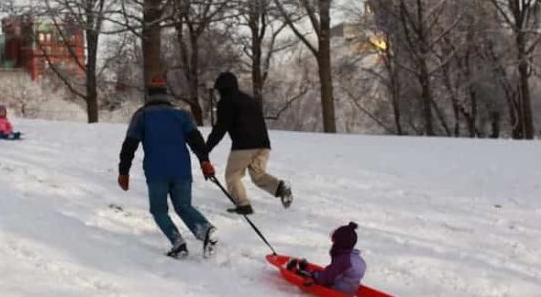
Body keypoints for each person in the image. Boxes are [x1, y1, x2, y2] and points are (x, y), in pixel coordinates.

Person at [118, 76, 218, 258]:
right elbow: (196, 140)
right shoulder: (181, 114)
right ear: (165, 94)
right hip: (182, 170)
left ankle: (178, 244)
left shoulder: (142, 115)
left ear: (149, 95)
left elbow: (129, 145)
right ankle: (204, 230)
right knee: (184, 206)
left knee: (159, 210)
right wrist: (204, 161)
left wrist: (123, 171)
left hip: (157, 172)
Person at [204, 71, 292, 215]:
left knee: (232, 176)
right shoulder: (249, 100)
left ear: (222, 88)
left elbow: (220, 128)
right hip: (263, 144)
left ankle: (244, 205)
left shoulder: (226, 102)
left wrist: (206, 148)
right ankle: (280, 187)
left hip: (243, 146)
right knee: (258, 175)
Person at [285, 222, 367, 296]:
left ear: (340, 242)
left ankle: (297, 271)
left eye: (334, 240)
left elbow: (326, 277)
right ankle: (307, 269)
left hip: (336, 290)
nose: (333, 242)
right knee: (323, 273)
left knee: (315, 276)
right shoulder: (359, 259)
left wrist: (314, 276)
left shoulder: (344, 259)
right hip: (349, 292)